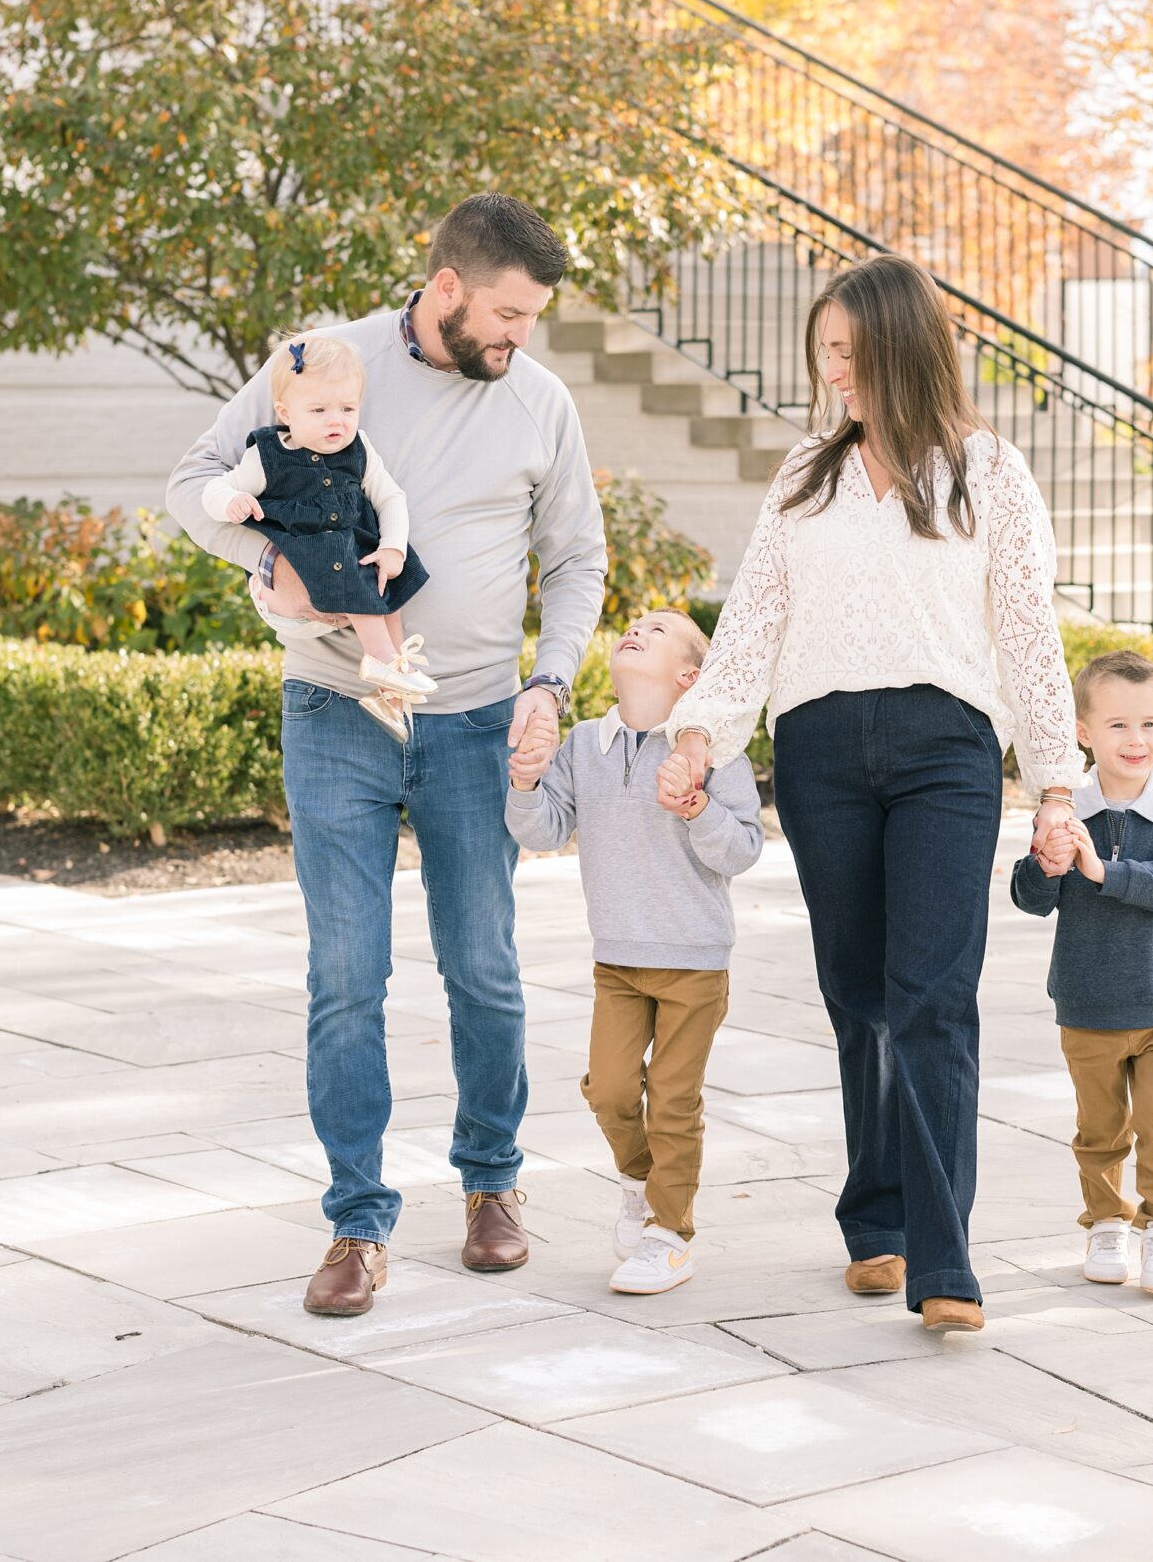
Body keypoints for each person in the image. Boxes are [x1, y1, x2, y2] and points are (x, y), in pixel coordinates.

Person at [165, 194, 607, 1318]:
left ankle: (492, 1182)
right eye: (506, 314)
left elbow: (576, 559)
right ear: (447, 287)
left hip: (476, 722)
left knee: (484, 969)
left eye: (533, 317)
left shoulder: (539, 401)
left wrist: (550, 680)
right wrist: (267, 563)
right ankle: (357, 1222)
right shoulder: (325, 363)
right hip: (334, 712)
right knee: (346, 978)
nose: (520, 337)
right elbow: (194, 482)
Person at [657, 253, 1082, 1333]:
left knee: (933, 993)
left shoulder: (987, 472)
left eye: (848, 351)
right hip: (821, 752)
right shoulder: (808, 475)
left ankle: (945, 1262)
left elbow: (1029, 632)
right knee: (858, 991)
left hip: (946, 750)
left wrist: (1055, 784)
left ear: (901, 346)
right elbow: (753, 618)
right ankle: (877, 1220)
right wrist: (700, 732)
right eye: (825, 353)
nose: (833, 372)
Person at [505, 608, 763, 1295]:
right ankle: (641, 1181)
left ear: (689, 677)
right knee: (611, 1088)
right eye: (635, 624)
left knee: (674, 1100)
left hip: (695, 961)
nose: (637, 628)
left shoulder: (717, 752)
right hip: (617, 960)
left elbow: (743, 847)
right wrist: (525, 781)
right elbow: (544, 829)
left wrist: (697, 808)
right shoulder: (583, 744)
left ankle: (669, 1235)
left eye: (659, 629)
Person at [1008, 648, 1153, 1297]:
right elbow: (1031, 899)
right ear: (1083, 733)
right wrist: (1047, 865)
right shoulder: (1066, 809)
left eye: (1149, 723)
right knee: (1099, 1128)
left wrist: (1101, 871)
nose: (1135, 738)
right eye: (1118, 724)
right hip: (1088, 1001)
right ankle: (1106, 1223)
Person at [199, 331, 436, 740]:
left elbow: (390, 497)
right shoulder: (268, 456)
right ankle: (381, 660)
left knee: (386, 583)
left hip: (347, 574)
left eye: (348, 408)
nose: (336, 420)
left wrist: (392, 548)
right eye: (320, 410)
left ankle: (391, 693)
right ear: (286, 412)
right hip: (302, 578)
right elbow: (214, 489)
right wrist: (230, 501)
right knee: (341, 551)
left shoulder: (359, 449)